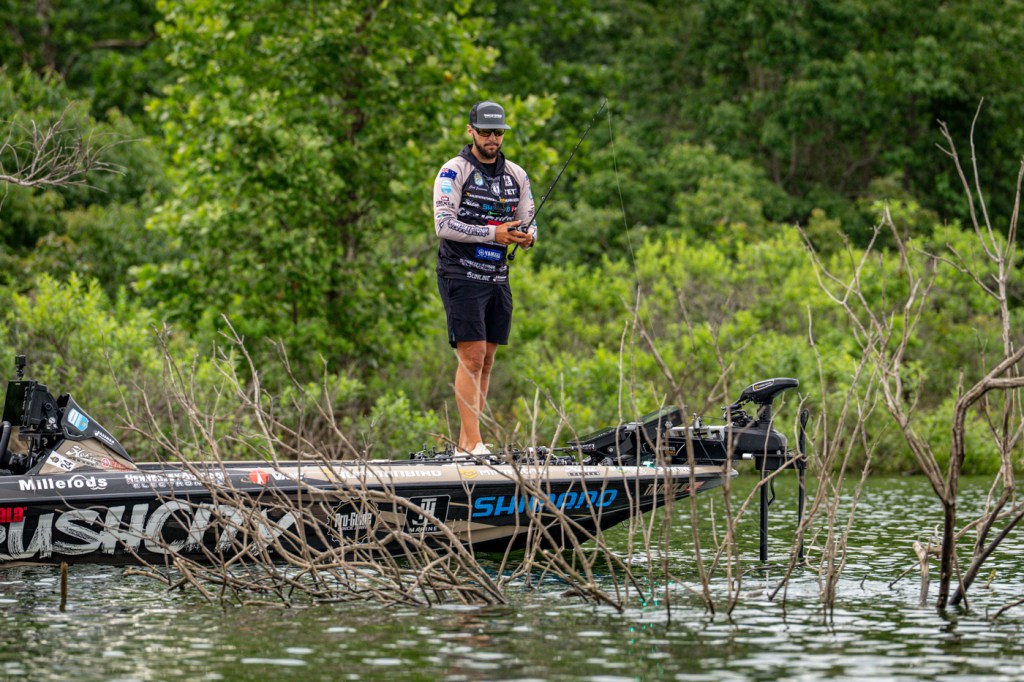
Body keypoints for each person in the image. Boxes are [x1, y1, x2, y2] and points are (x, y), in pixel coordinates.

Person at [432, 101, 537, 455]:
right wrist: (495, 233)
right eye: (486, 132)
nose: (492, 139)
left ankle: (466, 444)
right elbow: (443, 225)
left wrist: (527, 237)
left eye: (498, 133)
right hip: (460, 273)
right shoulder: (453, 171)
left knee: (488, 360)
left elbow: (529, 220)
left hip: (497, 276)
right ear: (471, 131)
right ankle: (474, 444)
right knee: (472, 357)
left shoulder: (517, 175)